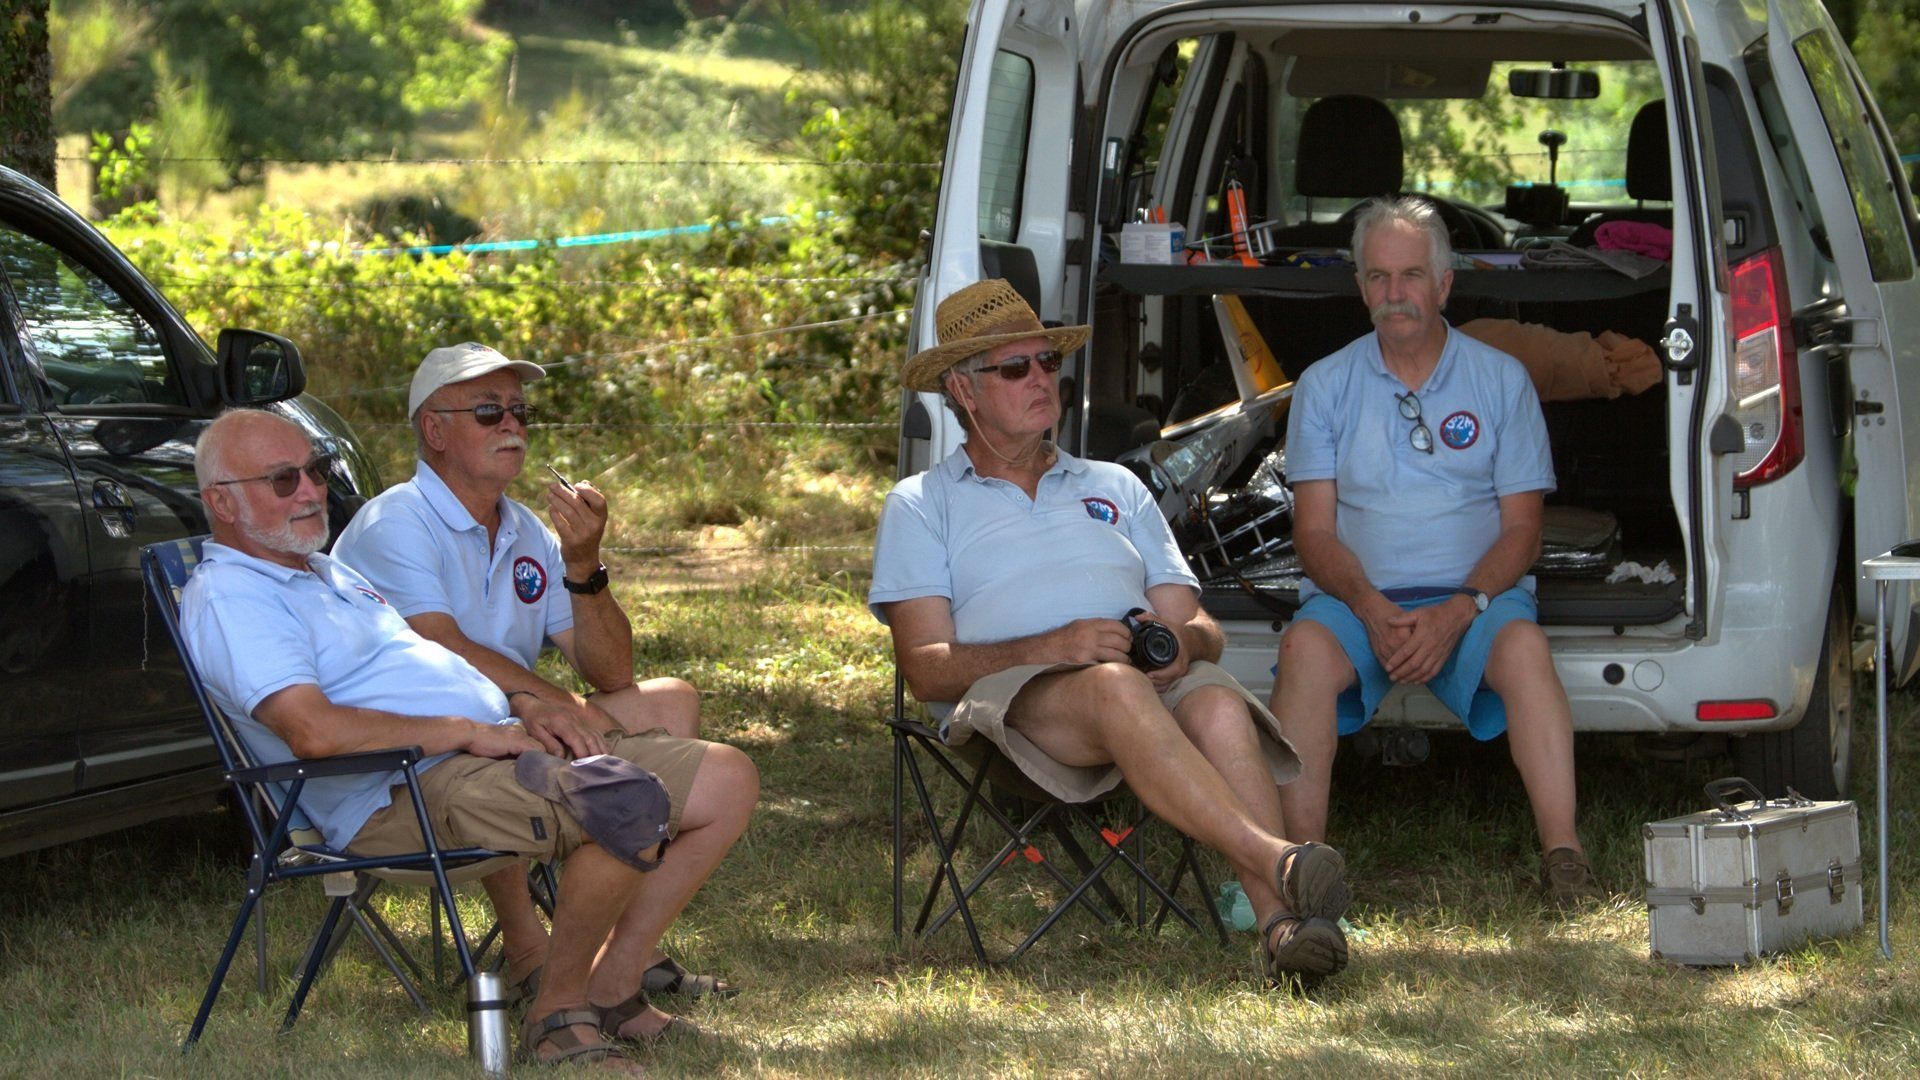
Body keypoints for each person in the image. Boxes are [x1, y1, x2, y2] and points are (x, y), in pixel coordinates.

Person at [182, 409, 758, 1069]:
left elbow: (433, 668)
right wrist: (470, 732)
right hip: (395, 792)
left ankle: (613, 985)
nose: (312, 491)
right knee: (623, 798)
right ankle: (557, 1015)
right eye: (284, 480)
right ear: (222, 502)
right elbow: (312, 731)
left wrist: (524, 704)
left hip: (482, 750)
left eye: (316, 471)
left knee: (727, 778)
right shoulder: (234, 597)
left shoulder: (321, 572)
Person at [869, 279, 1353, 984]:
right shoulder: (921, 504)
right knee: (1112, 686)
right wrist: (1054, 647)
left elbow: (1201, 625)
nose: (1041, 379)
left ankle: (1280, 929)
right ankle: (1278, 857)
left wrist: (1183, 645)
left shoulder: (1116, 485)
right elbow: (925, 667)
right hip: (1015, 711)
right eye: (1016, 368)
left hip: (1145, 686)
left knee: (1217, 702)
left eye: (1048, 362)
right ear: (963, 390)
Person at [333, 343, 738, 1005]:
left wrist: (583, 564)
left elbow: (612, 669)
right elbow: (440, 644)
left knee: (671, 702)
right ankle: (534, 950)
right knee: (527, 733)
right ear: (434, 430)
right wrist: (552, 702)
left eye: (519, 412)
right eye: (488, 412)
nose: (511, 426)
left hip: (508, 720)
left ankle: (620, 951)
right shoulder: (395, 522)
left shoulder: (525, 530)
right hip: (421, 747)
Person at [1267, 196, 1602, 909]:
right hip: (1358, 602)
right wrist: (1368, 605)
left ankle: (1565, 860)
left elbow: (1523, 531)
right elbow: (1314, 534)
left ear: (1445, 285)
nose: (1396, 294)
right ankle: (1303, 870)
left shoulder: (1501, 379)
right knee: (1303, 652)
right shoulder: (1324, 384)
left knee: (1525, 651)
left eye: (1412, 275)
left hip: (1475, 599)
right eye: (1379, 277)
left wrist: (1459, 609)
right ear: (1361, 287)